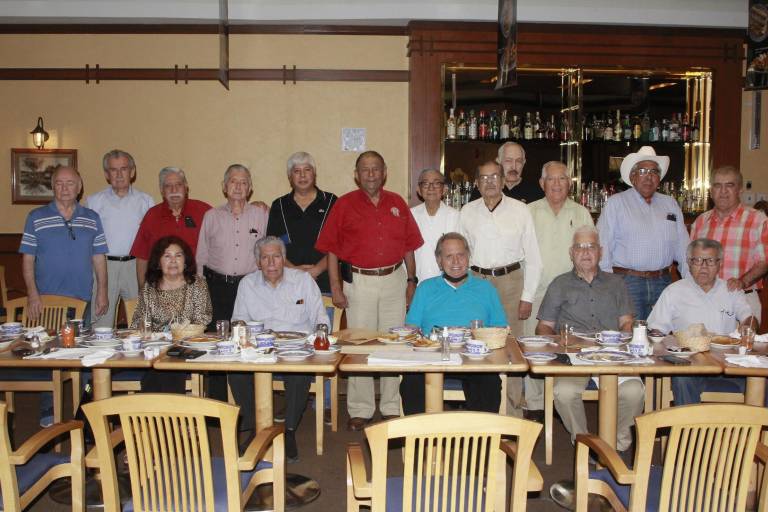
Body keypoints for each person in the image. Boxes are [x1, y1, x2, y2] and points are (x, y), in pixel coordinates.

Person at [316, 150, 423, 431]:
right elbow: (331, 250)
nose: (371, 173)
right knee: (359, 345)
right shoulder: (344, 205)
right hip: (359, 283)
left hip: (394, 281)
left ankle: (390, 406)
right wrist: (336, 287)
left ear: (384, 172)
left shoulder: (398, 203)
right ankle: (360, 408)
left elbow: (409, 247)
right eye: (365, 169)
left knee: (394, 345)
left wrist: (412, 282)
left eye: (376, 168)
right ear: (356, 174)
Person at [536, 226, 643, 453]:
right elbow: (543, 327)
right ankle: (586, 444)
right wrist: (560, 343)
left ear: (601, 252)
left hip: (612, 355)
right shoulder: (559, 284)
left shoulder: (617, 284)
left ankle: (616, 441)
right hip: (575, 357)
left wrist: (620, 340)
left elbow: (626, 323)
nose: (585, 252)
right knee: (563, 393)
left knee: (635, 391)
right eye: (580, 247)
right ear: (571, 253)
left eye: (591, 247)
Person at [19, 165, 109, 425]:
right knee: (49, 355)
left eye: (71, 183)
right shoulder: (35, 217)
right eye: (60, 183)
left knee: (84, 354)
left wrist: (102, 290)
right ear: (53, 186)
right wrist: (32, 294)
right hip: (48, 301)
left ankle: (84, 408)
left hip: (83, 300)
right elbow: (27, 260)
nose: (65, 188)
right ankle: (49, 410)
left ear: (80, 187)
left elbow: (99, 257)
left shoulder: (92, 217)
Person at [232, 236, 329, 462]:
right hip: (259, 347)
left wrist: (317, 337)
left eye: (276, 256)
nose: (272, 262)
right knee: (234, 371)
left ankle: (290, 431)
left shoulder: (303, 280)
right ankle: (258, 427)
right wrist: (246, 339)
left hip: (296, 348)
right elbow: (238, 321)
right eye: (265, 258)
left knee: (299, 373)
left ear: (284, 259)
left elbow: (320, 318)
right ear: (258, 263)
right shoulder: (247, 284)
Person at [459, 159, 542, 416]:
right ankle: (481, 412)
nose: (490, 182)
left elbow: (534, 258)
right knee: (476, 345)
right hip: (477, 282)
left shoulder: (520, 210)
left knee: (510, 348)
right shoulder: (467, 211)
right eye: (483, 178)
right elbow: (460, 256)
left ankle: (513, 413)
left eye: (495, 177)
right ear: (476, 183)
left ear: (504, 180)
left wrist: (527, 296)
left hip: (511, 282)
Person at [400, 232, 507, 414]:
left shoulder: (486, 288)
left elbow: (501, 329)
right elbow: (411, 328)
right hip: (432, 358)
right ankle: (420, 439)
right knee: (411, 382)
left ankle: (482, 439)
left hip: (475, 360)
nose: (456, 261)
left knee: (489, 382)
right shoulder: (426, 288)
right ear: (439, 260)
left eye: (461, 255)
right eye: (449, 256)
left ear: (468, 257)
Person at [523, 161, 594, 420]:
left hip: (572, 294)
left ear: (569, 183)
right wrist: (526, 295)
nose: (556, 184)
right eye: (550, 179)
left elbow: (591, 254)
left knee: (567, 348)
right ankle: (535, 405)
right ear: (542, 184)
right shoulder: (528, 212)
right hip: (537, 292)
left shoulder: (582, 213)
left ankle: (560, 399)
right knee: (535, 348)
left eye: (562, 179)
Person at [648, 238, 755, 405]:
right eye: (697, 260)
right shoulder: (674, 291)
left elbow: (749, 318)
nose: (704, 266)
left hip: (728, 366)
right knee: (682, 380)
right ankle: (688, 430)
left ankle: (751, 430)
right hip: (690, 365)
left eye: (710, 261)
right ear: (689, 263)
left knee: (761, 382)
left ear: (719, 264)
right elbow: (655, 331)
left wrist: (747, 327)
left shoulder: (731, 290)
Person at [195, 163, 268, 408]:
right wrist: (200, 288)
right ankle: (217, 403)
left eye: (244, 182)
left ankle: (249, 405)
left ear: (250, 189)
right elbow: (201, 255)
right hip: (217, 288)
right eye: (233, 181)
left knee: (248, 341)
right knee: (218, 341)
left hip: (249, 287)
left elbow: (270, 249)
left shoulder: (261, 214)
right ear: (224, 187)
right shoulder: (211, 216)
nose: (238, 186)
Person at [597, 146, 689, 320]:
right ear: (633, 177)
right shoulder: (616, 204)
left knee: (661, 337)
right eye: (643, 171)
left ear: (659, 178)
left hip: (663, 282)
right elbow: (603, 247)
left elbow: (684, 248)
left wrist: (692, 284)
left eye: (654, 171)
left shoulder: (670, 204)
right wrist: (609, 287)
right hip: (626, 283)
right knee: (629, 337)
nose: (649, 176)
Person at [131, 236, 212, 394]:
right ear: (158, 263)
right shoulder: (150, 287)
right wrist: (144, 328)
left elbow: (202, 319)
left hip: (186, 348)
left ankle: (159, 415)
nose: (173, 261)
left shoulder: (198, 284)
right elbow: (139, 321)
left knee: (167, 367)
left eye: (178, 255)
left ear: (186, 261)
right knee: (160, 367)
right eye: (167, 256)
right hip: (154, 350)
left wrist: (174, 336)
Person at [85, 149, 154, 328]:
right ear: (107, 174)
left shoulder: (146, 201)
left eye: (123, 169)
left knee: (141, 323)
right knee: (101, 323)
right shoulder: (94, 202)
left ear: (132, 171)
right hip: (104, 267)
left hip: (135, 266)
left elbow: (150, 241)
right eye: (113, 170)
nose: (119, 174)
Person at [690, 166, 768, 322]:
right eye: (718, 185)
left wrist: (742, 282)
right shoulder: (700, 222)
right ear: (711, 191)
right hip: (704, 300)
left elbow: (764, 262)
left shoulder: (758, 220)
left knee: (744, 346)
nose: (723, 191)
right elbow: (691, 262)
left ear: (739, 190)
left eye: (729, 185)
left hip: (743, 299)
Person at [266, 152, 338, 293]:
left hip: (323, 284)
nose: (303, 176)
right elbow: (272, 245)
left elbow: (338, 245)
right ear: (290, 176)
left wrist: (316, 270)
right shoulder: (279, 205)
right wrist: (294, 271)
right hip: (287, 283)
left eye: (307, 170)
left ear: (314, 174)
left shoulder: (332, 202)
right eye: (297, 171)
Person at [130, 167, 211, 289]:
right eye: (168, 186)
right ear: (162, 191)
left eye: (178, 184)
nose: (174, 190)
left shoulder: (204, 212)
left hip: (196, 287)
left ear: (186, 187)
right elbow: (142, 257)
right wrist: (142, 290)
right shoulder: (152, 216)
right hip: (161, 288)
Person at [410, 168, 460, 283]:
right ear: (418, 189)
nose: (431, 188)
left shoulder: (455, 216)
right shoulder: (410, 215)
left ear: (444, 189)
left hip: (447, 282)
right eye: (426, 183)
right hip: (417, 282)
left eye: (437, 183)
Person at [469, 142, 544, 204]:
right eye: (508, 161)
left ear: (524, 163)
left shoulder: (536, 192)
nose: (513, 167)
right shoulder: (486, 188)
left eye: (518, 161)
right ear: (498, 162)